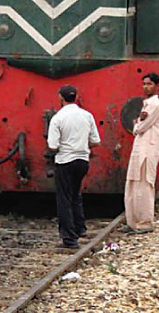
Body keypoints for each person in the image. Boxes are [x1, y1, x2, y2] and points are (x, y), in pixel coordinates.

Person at [47, 85, 101, 248]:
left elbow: (53, 146)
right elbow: (96, 141)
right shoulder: (87, 115)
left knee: (64, 198)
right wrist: (82, 147)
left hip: (65, 161)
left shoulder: (58, 118)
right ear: (76, 97)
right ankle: (80, 228)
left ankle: (69, 238)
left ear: (60, 98)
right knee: (76, 193)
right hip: (82, 160)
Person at [124, 73, 159, 234]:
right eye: (144, 84)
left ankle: (145, 222)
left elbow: (140, 128)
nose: (146, 87)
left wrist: (137, 123)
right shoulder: (147, 104)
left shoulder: (155, 105)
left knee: (144, 185)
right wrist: (138, 123)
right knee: (133, 183)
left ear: (156, 86)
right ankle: (133, 221)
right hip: (141, 148)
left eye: (149, 84)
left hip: (148, 150)